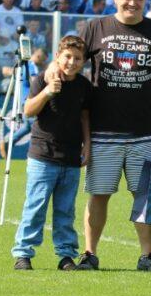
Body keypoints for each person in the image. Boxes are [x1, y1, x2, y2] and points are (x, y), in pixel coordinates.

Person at [59, 0, 151, 272]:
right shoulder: (96, 27)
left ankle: (147, 256)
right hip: (103, 130)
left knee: (145, 196)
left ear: (145, 0)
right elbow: (70, 59)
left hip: (145, 131)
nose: (132, 3)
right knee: (98, 194)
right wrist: (53, 71)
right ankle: (90, 253)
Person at [11, 36, 91, 271]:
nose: (72, 62)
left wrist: (88, 144)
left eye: (77, 58)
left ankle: (66, 256)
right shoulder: (42, 79)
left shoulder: (84, 86)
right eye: (68, 57)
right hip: (43, 157)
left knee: (66, 211)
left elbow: (85, 117)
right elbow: (28, 110)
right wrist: (47, 92)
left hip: (71, 158)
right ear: (58, 56)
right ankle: (23, 254)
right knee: (35, 207)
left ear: (83, 61)